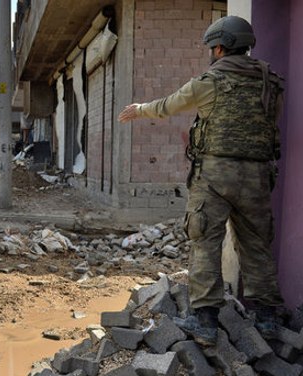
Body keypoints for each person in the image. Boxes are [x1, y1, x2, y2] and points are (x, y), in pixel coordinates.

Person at [118, 16, 285, 346]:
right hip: (256, 175)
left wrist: (140, 109)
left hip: (214, 175)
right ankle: (267, 320)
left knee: (205, 242)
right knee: (257, 244)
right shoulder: (272, 81)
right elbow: (268, 123)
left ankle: (205, 322)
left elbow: (168, 105)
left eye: (213, 47)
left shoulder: (210, 80)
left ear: (220, 47)